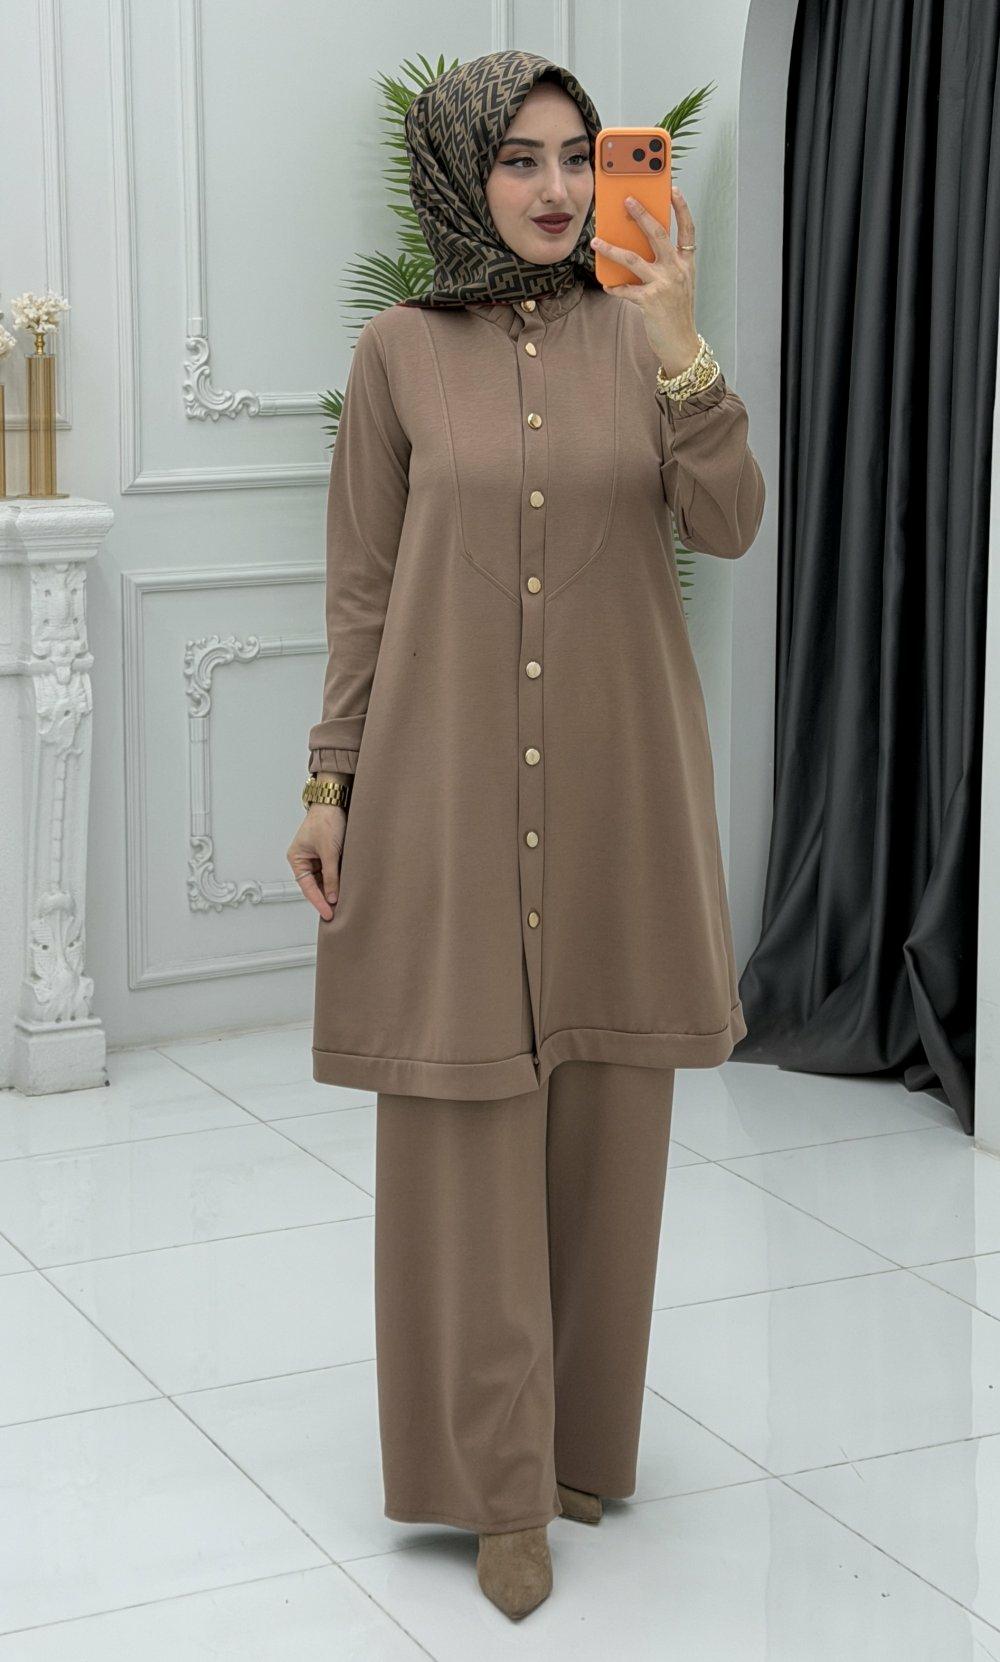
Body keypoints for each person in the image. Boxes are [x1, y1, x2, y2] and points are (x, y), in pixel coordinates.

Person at [286, 50, 765, 1621]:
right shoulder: (397, 355)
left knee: (611, 1111)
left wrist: (684, 354)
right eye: (520, 159)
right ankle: (494, 1486)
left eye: (576, 156)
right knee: (464, 1117)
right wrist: (330, 781)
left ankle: (574, 1445)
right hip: (443, 780)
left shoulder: (646, 336)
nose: (557, 189)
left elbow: (730, 522)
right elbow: (363, 588)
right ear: (462, 174)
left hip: (621, 780)